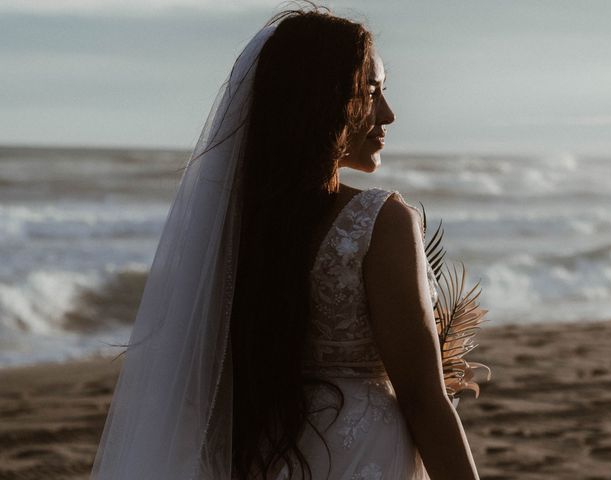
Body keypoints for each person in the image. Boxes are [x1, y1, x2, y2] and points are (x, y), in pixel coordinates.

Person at [91, 4, 479, 480]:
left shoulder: (232, 225)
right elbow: (423, 398)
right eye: (371, 91)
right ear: (323, 100)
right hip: (363, 457)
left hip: (265, 454)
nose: (388, 113)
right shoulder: (381, 220)